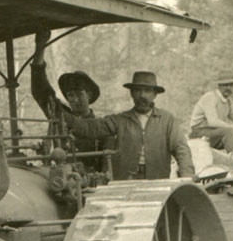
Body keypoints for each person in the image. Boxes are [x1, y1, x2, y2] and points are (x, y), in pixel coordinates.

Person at [60, 70, 194, 180]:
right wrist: (62, 115)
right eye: (137, 91)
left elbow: (181, 148)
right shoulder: (120, 120)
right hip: (125, 182)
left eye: (147, 91)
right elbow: (91, 128)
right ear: (132, 93)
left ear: (154, 94)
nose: (142, 95)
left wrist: (187, 176)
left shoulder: (167, 120)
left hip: (157, 180)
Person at [30, 30, 112, 172]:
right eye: (70, 95)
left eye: (79, 94)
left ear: (89, 95)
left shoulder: (100, 127)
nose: (74, 100)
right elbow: (41, 92)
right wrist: (40, 47)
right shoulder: (62, 116)